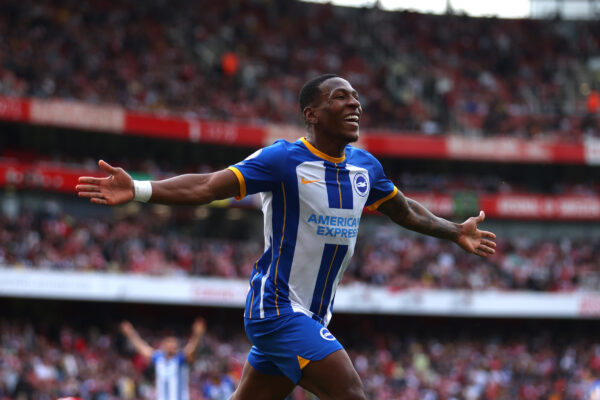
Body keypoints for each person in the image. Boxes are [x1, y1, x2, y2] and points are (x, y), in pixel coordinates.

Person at [77, 74, 496, 400]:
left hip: (313, 315)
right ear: (311, 114)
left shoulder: (366, 167)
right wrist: (141, 189)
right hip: (276, 310)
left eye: (355, 97)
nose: (354, 102)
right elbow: (207, 186)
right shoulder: (282, 159)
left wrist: (454, 230)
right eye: (339, 97)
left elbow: (403, 209)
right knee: (350, 391)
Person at [119, 318, 206, 400]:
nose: (172, 346)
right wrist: (130, 333)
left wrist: (197, 335)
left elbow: (191, 349)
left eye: (174, 343)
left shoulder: (180, 358)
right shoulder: (159, 358)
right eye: (169, 343)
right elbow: (142, 348)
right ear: (163, 345)